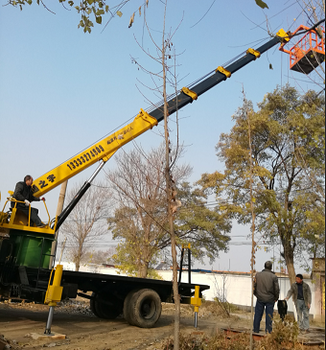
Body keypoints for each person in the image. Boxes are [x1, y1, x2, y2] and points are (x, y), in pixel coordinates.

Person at [253, 261, 280, 334]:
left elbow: (254, 286)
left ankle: (255, 329)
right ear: (271, 267)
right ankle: (268, 331)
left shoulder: (258, 275)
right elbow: (276, 289)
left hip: (260, 298)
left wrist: (256, 294)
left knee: (257, 314)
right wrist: (276, 298)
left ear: (264, 266)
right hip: (270, 299)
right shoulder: (273, 277)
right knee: (269, 315)